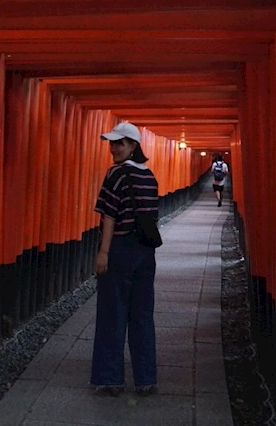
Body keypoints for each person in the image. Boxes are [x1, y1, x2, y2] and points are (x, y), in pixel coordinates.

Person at [91, 122, 159, 397]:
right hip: (145, 253)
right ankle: (146, 379)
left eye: (119, 143)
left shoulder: (116, 174)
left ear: (133, 146)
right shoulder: (150, 176)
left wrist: (103, 252)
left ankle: (111, 379)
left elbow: (109, 215)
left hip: (120, 250)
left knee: (112, 312)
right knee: (142, 315)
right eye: (112, 143)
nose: (113, 148)